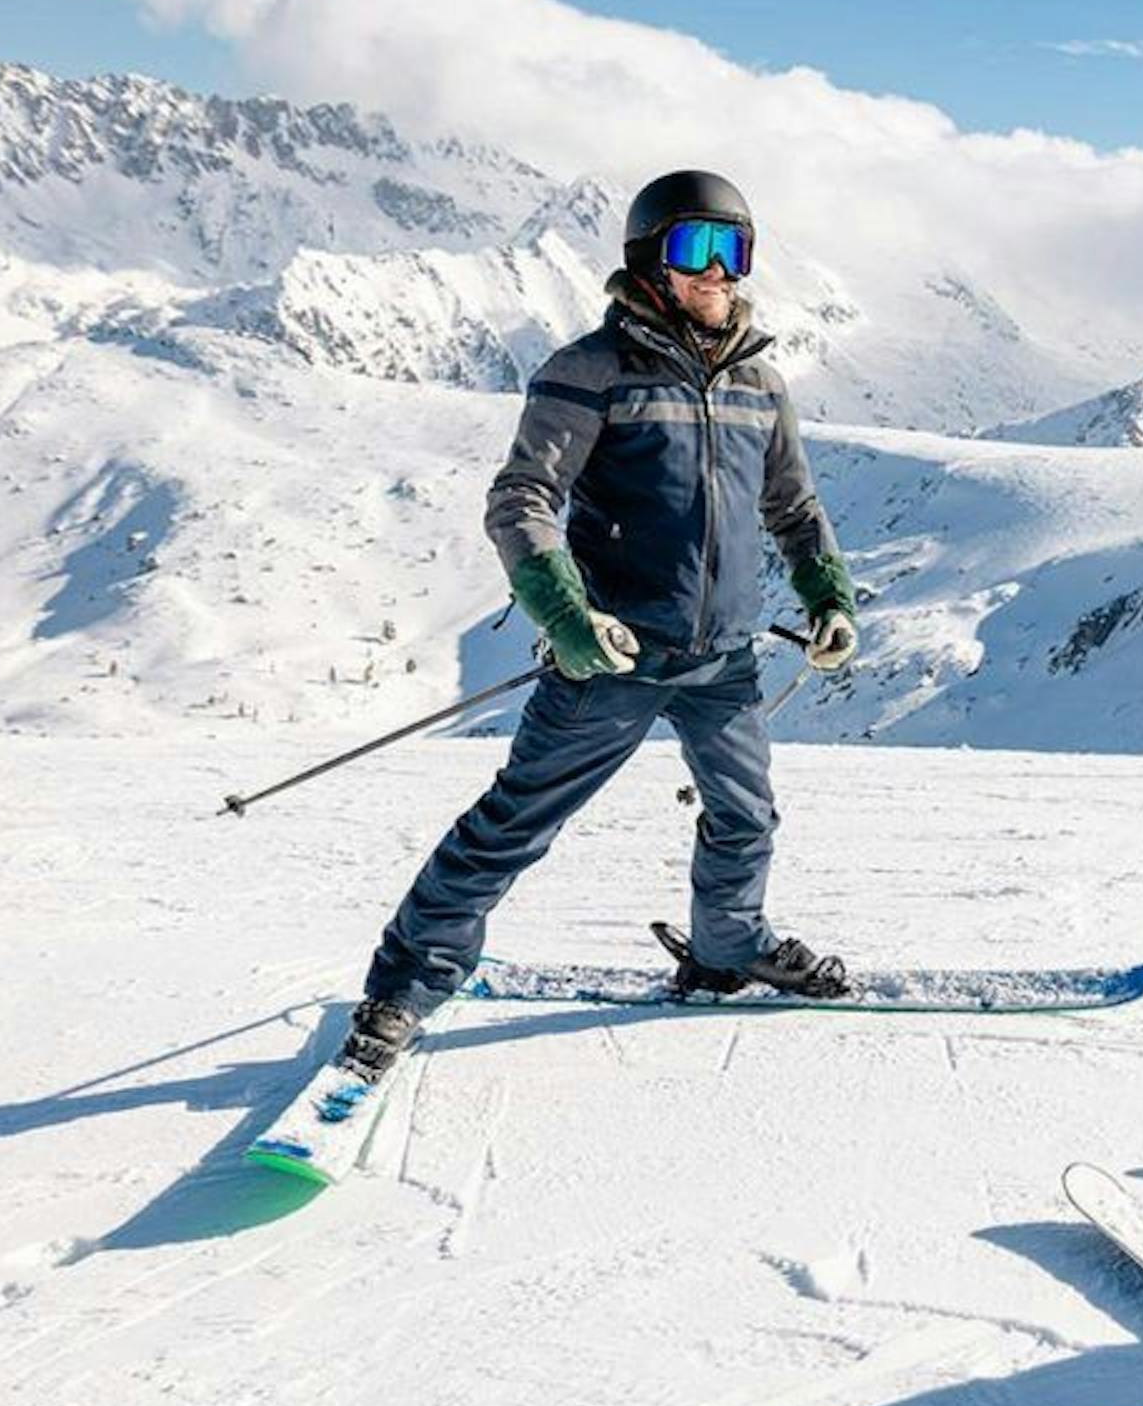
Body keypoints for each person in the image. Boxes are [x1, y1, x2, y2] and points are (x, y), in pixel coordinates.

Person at [335, 169, 864, 1079]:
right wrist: (568, 617)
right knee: (514, 825)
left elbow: (794, 506)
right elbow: (523, 499)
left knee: (745, 820)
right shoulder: (588, 372)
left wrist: (828, 597)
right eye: (697, 249)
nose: (719, 273)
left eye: (734, 251)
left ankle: (726, 953)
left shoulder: (759, 383)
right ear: (648, 261)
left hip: (724, 659)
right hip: (612, 655)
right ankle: (403, 991)